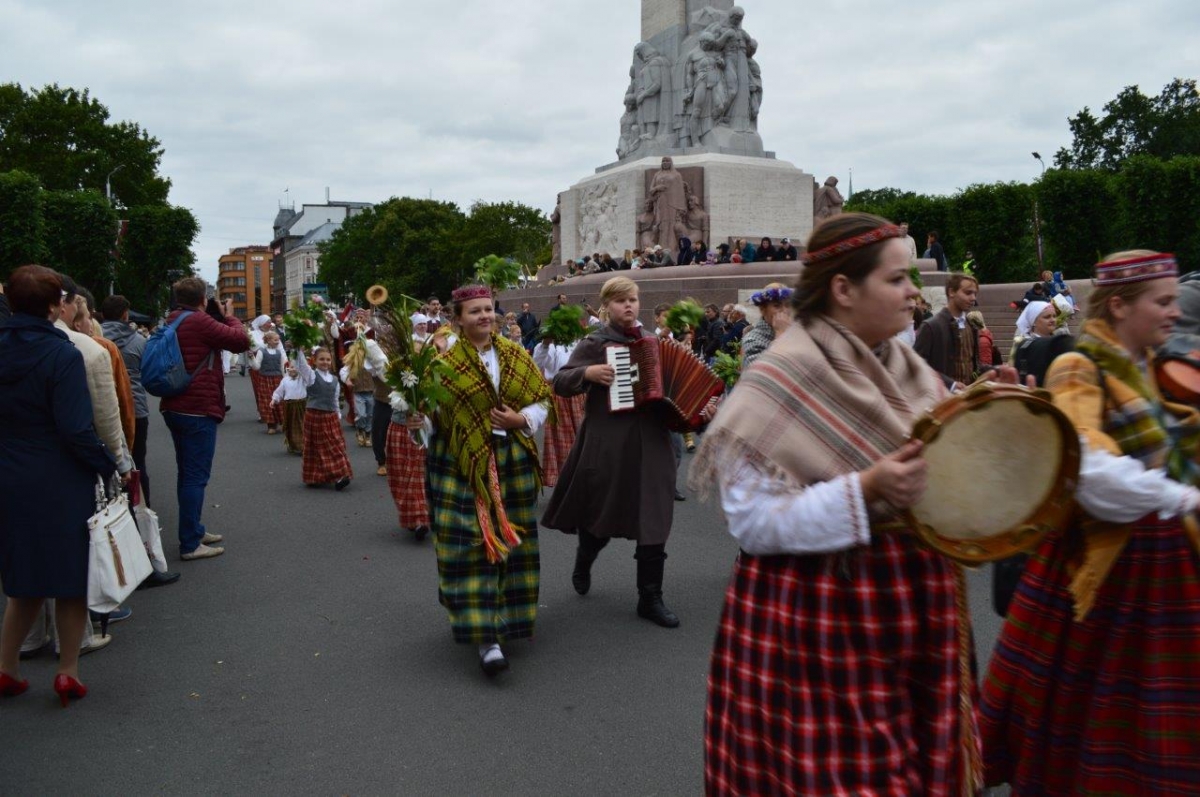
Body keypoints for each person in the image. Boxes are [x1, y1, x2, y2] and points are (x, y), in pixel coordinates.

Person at [695, 213, 990, 794]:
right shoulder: (777, 378)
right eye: (897, 279)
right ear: (843, 289)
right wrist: (865, 491)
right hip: (823, 613)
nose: (913, 293)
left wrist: (989, 417)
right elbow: (752, 522)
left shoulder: (909, 369)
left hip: (915, 608)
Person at [980, 250, 1200, 794]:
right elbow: (1085, 463)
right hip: (1112, 568)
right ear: (1120, 305)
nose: (1175, 312)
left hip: (1159, 560)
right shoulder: (1079, 365)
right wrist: (1178, 496)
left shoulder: (1150, 364)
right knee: (1107, 720)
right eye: (1162, 302)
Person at [0, 265, 118, 707]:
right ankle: (68, 671)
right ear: (55, 306)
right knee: (70, 578)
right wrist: (107, 465)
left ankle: (7, 667)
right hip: (58, 475)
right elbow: (75, 428)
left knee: (23, 580)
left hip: (9, 473)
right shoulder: (62, 354)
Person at [542, 276, 684, 628]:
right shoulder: (596, 342)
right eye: (621, 301)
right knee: (602, 513)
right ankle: (585, 555)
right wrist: (587, 372)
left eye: (633, 299)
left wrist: (698, 408)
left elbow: (676, 389)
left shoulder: (654, 342)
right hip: (609, 441)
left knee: (654, 516)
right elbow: (561, 382)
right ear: (607, 306)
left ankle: (650, 597)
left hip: (653, 442)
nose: (629, 305)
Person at [426, 284, 551, 676]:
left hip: (511, 459)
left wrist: (520, 419)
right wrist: (416, 422)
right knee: (471, 546)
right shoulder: (442, 363)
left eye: (487, 309)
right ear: (458, 319)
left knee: (513, 545)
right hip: (461, 464)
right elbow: (433, 417)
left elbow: (541, 399)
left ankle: (507, 619)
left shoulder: (516, 354)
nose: (484, 316)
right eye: (474, 311)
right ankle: (486, 638)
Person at [160, 277, 249, 561]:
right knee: (195, 477)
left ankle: (193, 529)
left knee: (186, 473)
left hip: (174, 403)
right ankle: (190, 543)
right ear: (203, 299)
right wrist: (229, 315)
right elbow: (240, 341)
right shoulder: (199, 321)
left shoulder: (173, 319)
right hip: (198, 407)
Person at [532, 335, 586, 489]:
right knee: (563, 442)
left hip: (580, 394)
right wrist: (545, 343)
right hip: (560, 396)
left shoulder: (583, 340)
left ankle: (582, 481)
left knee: (584, 439)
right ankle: (566, 482)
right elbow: (537, 363)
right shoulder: (551, 346)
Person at [295, 347, 352, 490]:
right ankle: (315, 476)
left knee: (336, 446)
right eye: (321, 359)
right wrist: (298, 350)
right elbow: (302, 365)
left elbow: (335, 399)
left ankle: (340, 475)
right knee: (316, 447)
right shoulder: (311, 376)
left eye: (328, 359)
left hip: (331, 417)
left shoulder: (335, 380)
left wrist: (337, 414)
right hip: (315, 416)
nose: (325, 362)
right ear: (314, 361)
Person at [914, 273, 980, 390]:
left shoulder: (971, 326)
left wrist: (996, 370)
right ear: (951, 292)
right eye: (968, 293)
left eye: (975, 294)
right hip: (941, 397)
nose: (973, 298)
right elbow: (916, 366)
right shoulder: (931, 326)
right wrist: (951, 384)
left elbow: (972, 364)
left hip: (968, 396)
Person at [740, 283, 794, 368]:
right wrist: (781, 335)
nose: (784, 311)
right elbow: (763, 373)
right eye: (777, 306)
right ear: (762, 309)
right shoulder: (752, 340)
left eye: (787, 305)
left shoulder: (795, 333)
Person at [249, 331, 286, 435]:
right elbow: (256, 367)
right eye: (275, 340)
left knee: (280, 401)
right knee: (267, 402)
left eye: (278, 340)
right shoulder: (262, 351)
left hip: (277, 380)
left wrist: (286, 379)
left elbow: (282, 367)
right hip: (265, 380)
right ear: (268, 341)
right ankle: (271, 425)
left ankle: (283, 423)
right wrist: (252, 358)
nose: (277, 342)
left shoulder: (279, 352)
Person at [270, 360, 307, 455]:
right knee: (290, 426)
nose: (293, 369)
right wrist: (274, 400)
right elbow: (279, 392)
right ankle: (292, 445)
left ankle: (301, 446)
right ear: (287, 369)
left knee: (301, 425)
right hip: (289, 406)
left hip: (301, 405)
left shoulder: (302, 379)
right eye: (291, 367)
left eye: (295, 367)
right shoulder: (285, 380)